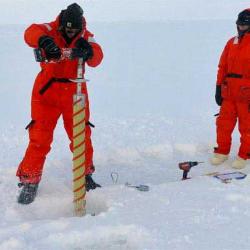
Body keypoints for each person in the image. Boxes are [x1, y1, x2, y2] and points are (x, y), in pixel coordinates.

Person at [16, 3, 103, 204]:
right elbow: (30, 32)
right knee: (39, 137)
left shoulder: (86, 36)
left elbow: (98, 56)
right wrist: (44, 41)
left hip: (76, 91)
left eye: (75, 29)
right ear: (62, 24)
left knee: (81, 134)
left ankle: (85, 175)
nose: (71, 31)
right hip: (46, 91)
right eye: (68, 28)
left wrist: (89, 51)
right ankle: (30, 181)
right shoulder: (48, 30)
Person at [211, 9, 250, 169]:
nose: (241, 27)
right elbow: (223, 66)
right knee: (223, 124)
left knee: (247, 126)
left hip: (246, 93)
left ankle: (244, 155)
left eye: (244, 25)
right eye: (239, 24)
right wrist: (218, 87)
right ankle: (222, 151)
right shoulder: (231, 42)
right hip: (229, 92)